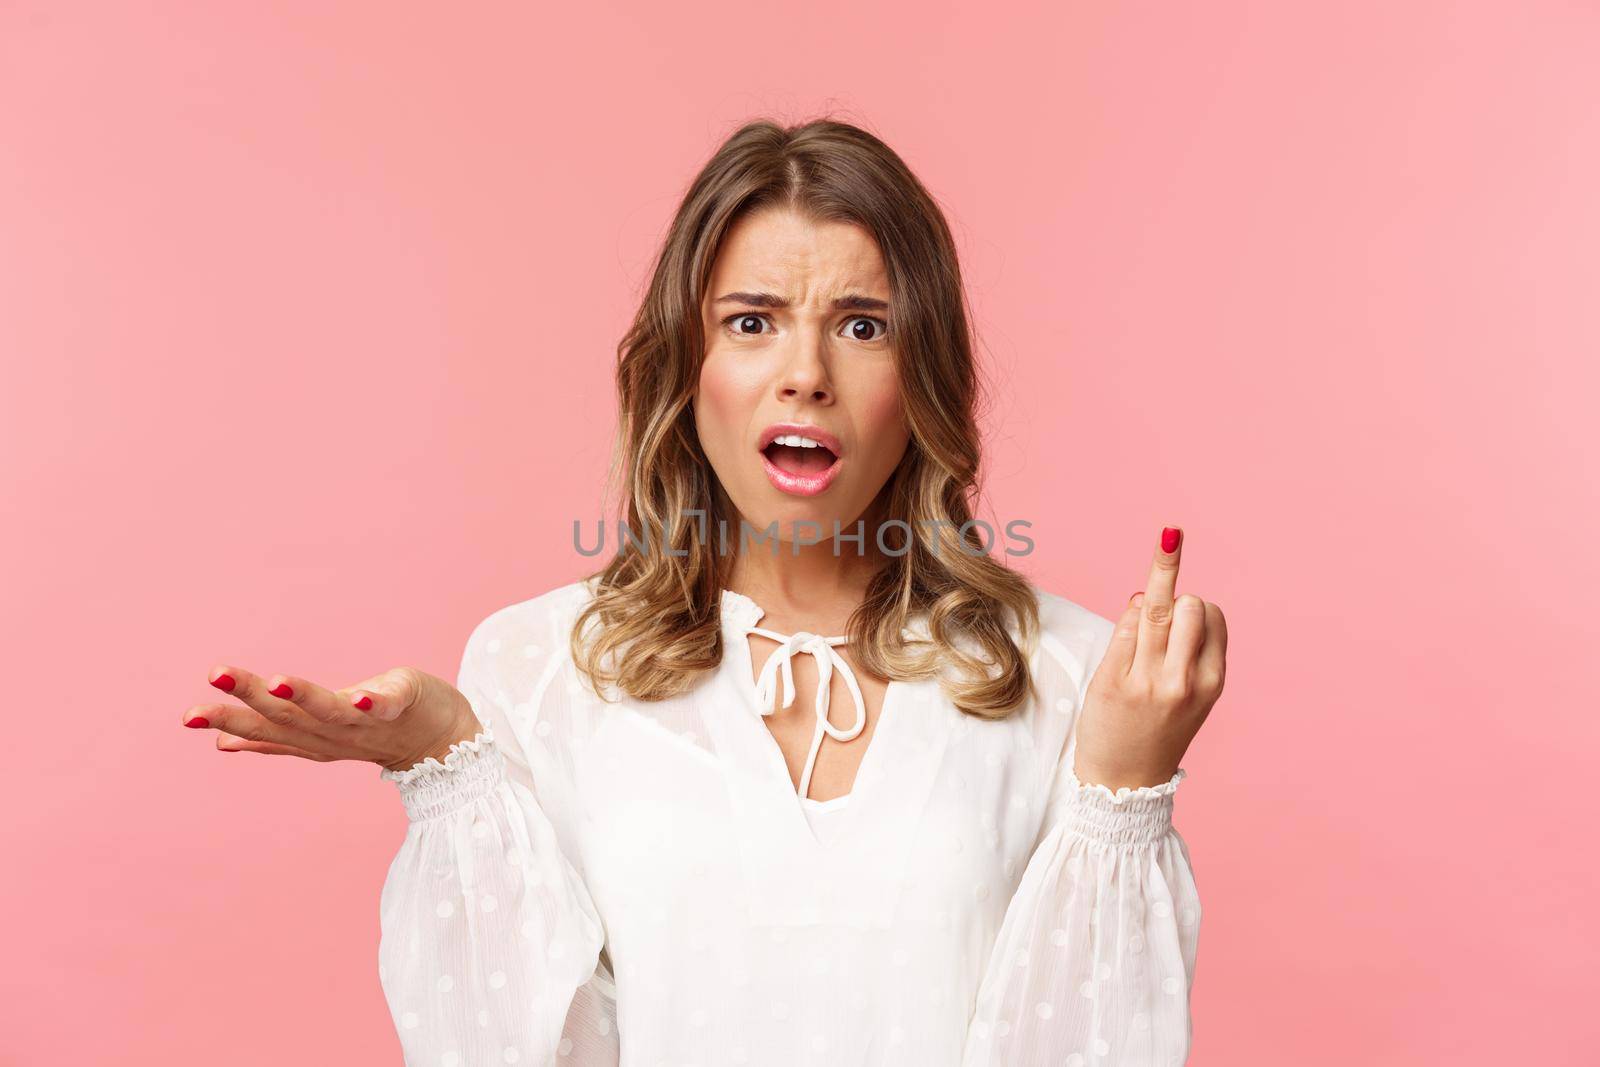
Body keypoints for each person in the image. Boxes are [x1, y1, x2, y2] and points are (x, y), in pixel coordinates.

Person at [184, 118, 1226, 1066]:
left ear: (926, 375)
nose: (805, 372)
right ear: (688, 365)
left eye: (863, 325)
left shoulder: (1068, 674)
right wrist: (447, 767)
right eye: (751, 321)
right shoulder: (540, 666)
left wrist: (1123, 787)